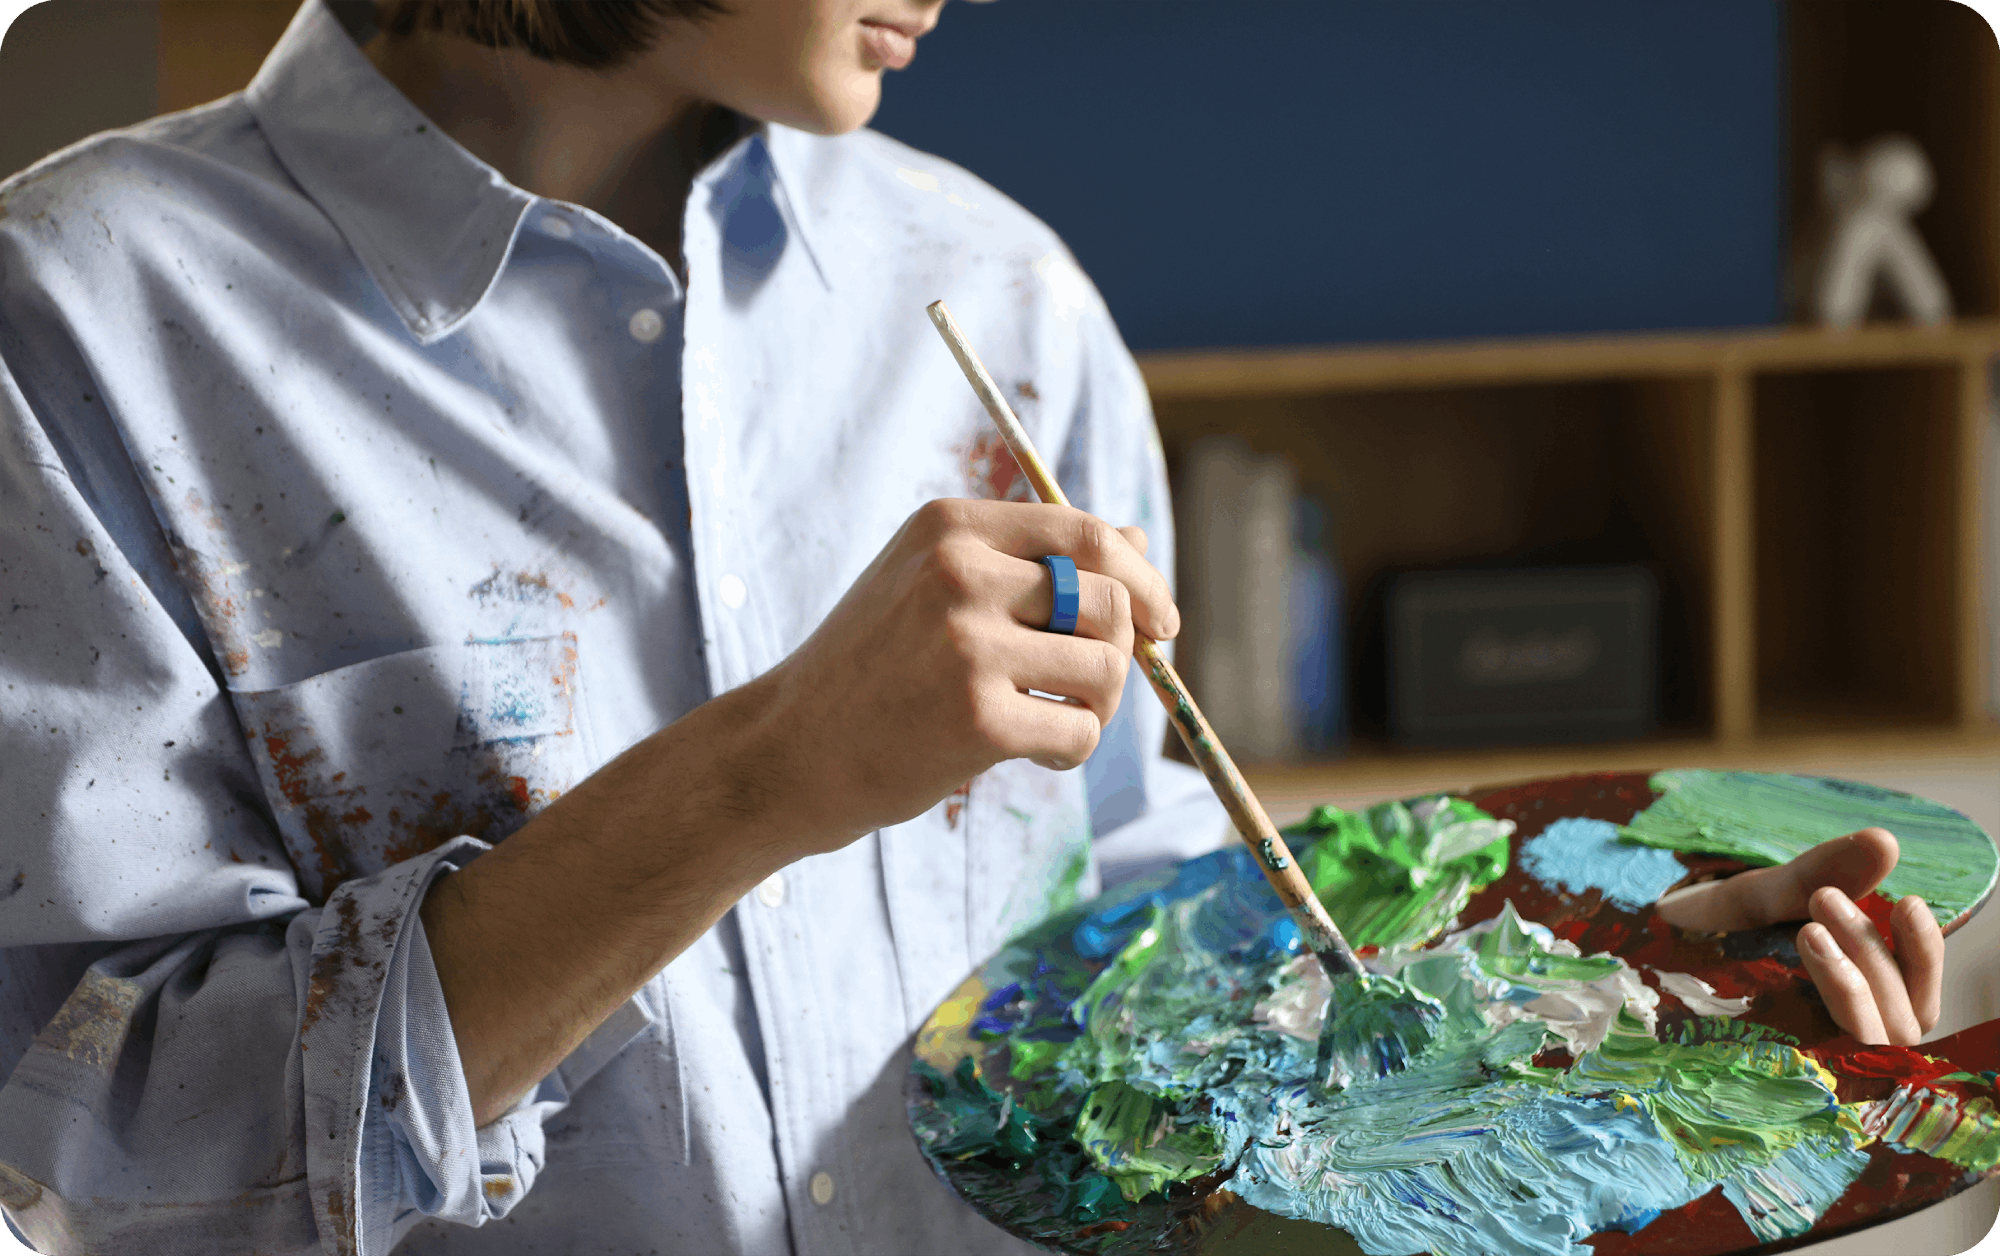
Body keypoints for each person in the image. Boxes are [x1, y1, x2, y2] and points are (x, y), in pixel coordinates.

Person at [0, 1, 1945, 1253]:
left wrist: (1586, 993)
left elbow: (1137, 954)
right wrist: (759, 778)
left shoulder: (996, 291)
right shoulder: (76, 319)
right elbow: (88, 1156)